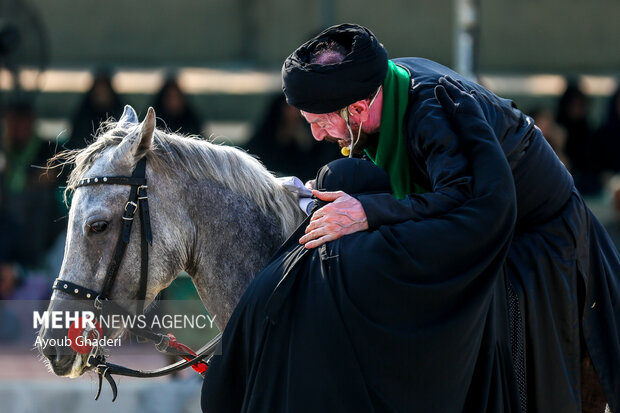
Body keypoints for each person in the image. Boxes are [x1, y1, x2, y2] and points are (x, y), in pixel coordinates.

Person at [279, 24, 619, 412]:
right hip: (479, 208)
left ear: (357, 108)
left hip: (533, 237)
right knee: (338, 177)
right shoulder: (382, 85)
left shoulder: (434, 109)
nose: (319, 135)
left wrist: (367, 211)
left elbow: (469, 201)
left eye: (321, 122)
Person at [202, 78, 520, 412]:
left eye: (320, 123)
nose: (317, 136)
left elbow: (224, 386)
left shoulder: (286, 269)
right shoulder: (398, 254)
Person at [245, 93, 338, 179]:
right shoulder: (265, 135)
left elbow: (320, 163)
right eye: (290, 107)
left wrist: (305, 145)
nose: (295, 112)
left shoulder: (313, 131)